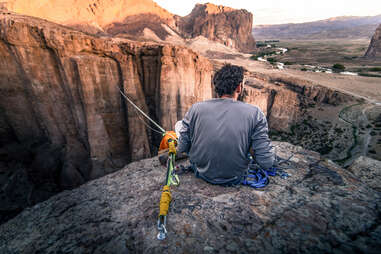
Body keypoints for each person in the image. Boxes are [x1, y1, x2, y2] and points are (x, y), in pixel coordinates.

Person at [175, 64, 275, 186]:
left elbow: (182, 148)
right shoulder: (255, 113)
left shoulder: (196, 108)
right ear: (239, 87)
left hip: (202, 173)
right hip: (235, 177)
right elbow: (267, 162)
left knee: (179, 125)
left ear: (217, 87)